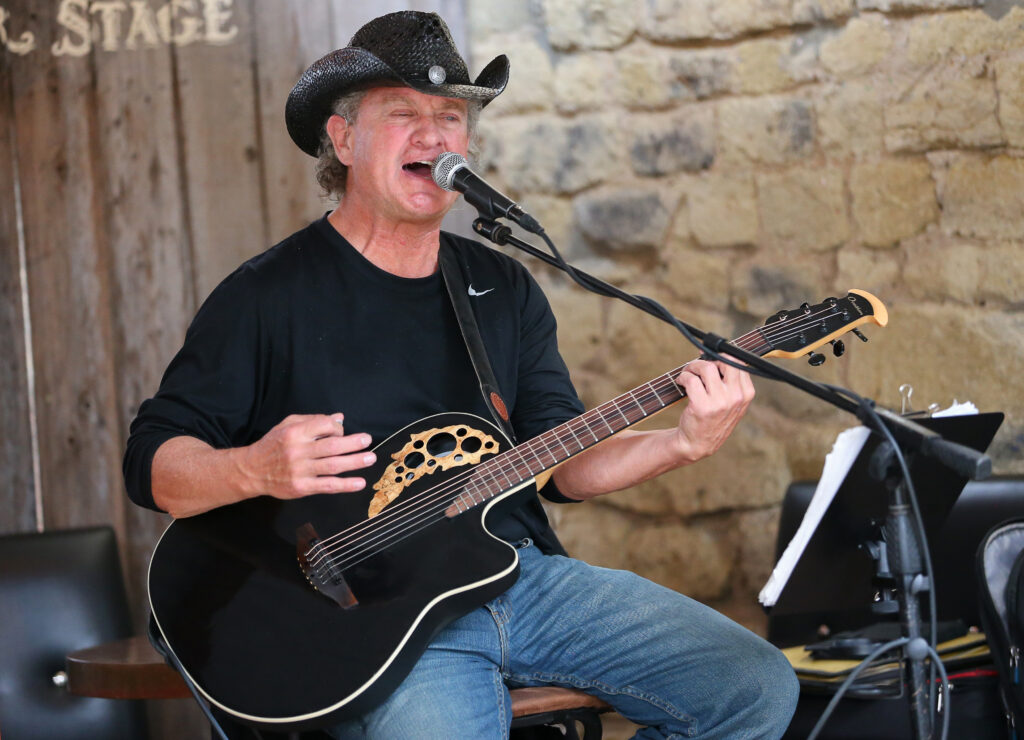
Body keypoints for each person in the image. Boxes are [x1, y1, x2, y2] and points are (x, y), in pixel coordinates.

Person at [124, 10, 798, 739]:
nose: (434, 134)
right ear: (344, 139)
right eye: (404, 113)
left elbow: (565, 463)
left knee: (754, 687)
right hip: (383, 621)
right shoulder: (266, 297)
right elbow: (154, 465)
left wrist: (681, 444)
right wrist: (254, 469)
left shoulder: (501, 287)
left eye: (450, 115)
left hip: (518, 577)